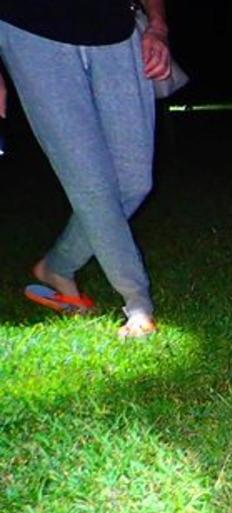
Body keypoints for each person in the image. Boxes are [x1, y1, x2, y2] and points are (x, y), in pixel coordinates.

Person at [0, 0, 172, 337]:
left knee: (134, 181)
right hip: (31, 29)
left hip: (116, 28)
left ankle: (57, 266)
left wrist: (157, 25)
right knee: (92, 186)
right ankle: (137, 303)